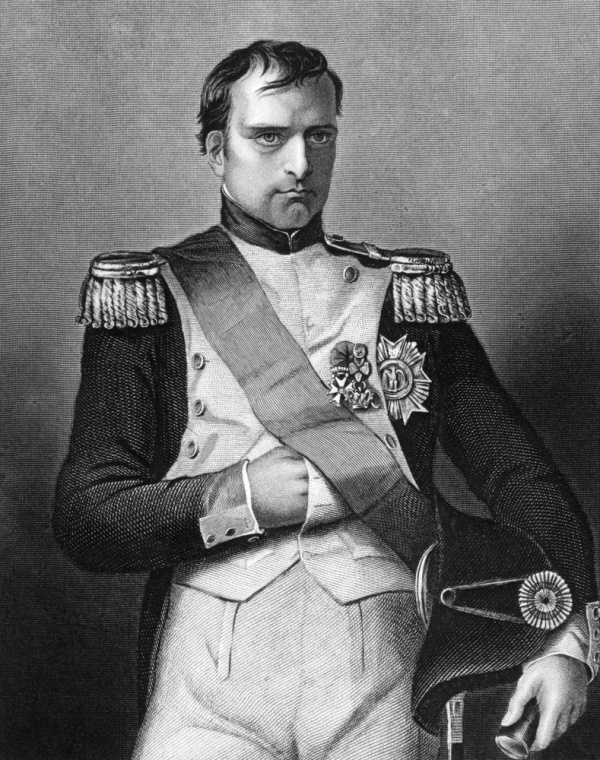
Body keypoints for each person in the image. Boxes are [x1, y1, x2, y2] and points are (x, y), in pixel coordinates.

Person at [53, 40, 598, 760]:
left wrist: (565, 640)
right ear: (216, 151)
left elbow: (519, 475)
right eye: (268, 137)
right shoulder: (151, 298)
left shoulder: (407, 296)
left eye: (319, 136)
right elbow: (88, 516)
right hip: (211, 673)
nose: (300, 165)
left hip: (384, 669)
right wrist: (240, 498)